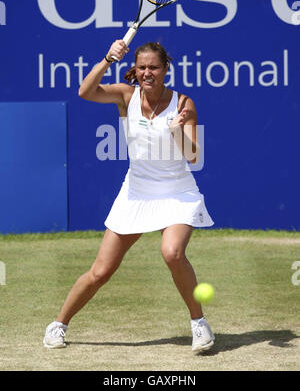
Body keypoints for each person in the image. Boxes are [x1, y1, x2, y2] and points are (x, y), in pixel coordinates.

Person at [43, 39, 215, 352]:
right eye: (142, 67)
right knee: (100, 272)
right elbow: (85, 92)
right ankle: (59, 324)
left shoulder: (183, 103)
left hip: (177, 190)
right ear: (135, 70)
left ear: (166, 70)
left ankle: (199, 325)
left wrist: (177, 130)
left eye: (154, 67)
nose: (148, 72)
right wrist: (107, 58)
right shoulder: (126, 95)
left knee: (172, 252)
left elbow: (192, 156)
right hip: (136, 191)